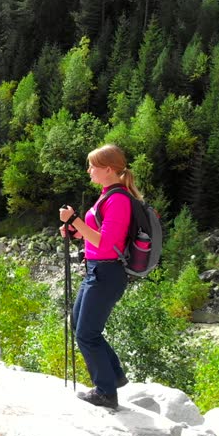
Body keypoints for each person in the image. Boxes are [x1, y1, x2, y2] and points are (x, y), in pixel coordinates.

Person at [58, 143, 141, 409]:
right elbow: (97, 236)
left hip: (107, 272)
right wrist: (75, 232)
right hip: (96, 270)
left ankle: (106, 393)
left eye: (93, 166)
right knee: (78, 325)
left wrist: (74, 220)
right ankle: (114, 376)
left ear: (108, 169)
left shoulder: (119, 200)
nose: (89, 170)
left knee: (87, 333)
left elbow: (106, 243)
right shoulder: (107, 196)